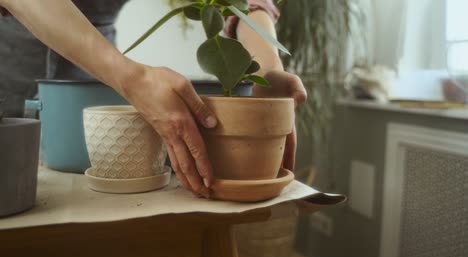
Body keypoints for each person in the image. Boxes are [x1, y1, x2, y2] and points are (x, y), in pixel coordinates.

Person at [0, 0, 306, 198]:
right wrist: (133, 78)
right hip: (11, 61)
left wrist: (268, 69)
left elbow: (245, 4)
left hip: (97, 70)